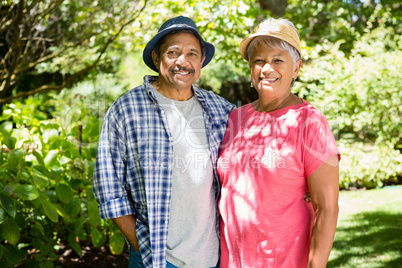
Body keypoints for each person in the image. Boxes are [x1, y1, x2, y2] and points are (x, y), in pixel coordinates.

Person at [92, 16, 234, 268]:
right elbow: (108, 186)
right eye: (173, 52)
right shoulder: (127, 109)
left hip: (212, 258)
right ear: (157, 58)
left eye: (192, 53)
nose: (183, 61)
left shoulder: (221, 109)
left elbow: (258, 148)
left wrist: (303, 184)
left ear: (201, 61)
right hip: (155, 259)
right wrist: (141, 244)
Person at [217, 18, 340, 268]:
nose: (267, 69)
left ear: (296, 68)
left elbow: (327, 209)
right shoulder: (235, 118)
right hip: (233, 260)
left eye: (278, 60)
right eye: (259, 60)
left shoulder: (309, 121)